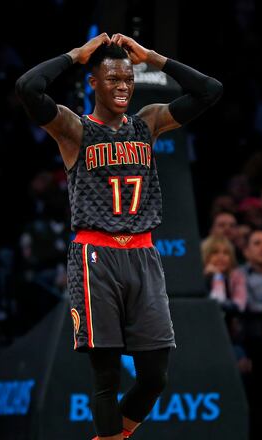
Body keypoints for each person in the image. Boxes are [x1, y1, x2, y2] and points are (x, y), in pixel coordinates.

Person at [16, 33, 222, 440]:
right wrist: (76, 54)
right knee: (106, 376)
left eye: (129, 78)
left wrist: (156, 59)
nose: (124, 85)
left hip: (143, 254)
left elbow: (210, 91)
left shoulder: (148, 122)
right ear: (93, 82)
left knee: (154, 377)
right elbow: (28, 87)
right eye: (113, 79)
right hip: (96, 254)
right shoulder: (75, 129)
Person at [201, 235, 247, 311]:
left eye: (226, 253)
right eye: (215, 252)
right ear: (205, 255)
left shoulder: (237, 276)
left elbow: (240, 305)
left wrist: (218, 276)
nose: (221, 257)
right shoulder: (199, 276)